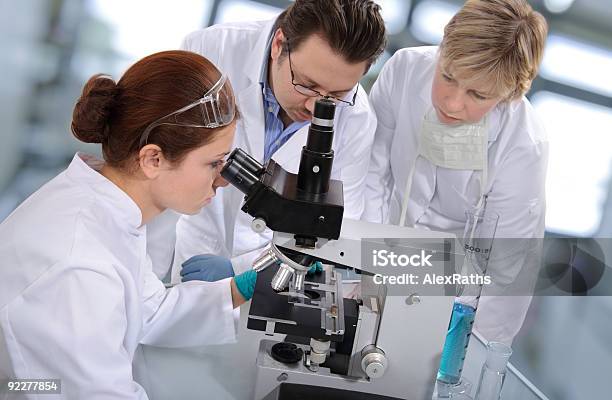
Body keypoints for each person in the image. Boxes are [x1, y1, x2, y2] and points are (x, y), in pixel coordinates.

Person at [0, 50, 258, 399]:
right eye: (213, 164)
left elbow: (149, 308)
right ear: (153, 158)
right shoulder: (80, 264)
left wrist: (246, 286)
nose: (223, 180)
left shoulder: (107, 211)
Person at [363, 0, 549, 344]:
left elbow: (507, 273)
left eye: (477, 94)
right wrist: (362, 267)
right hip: (374, 254)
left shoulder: (523, 145)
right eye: (447, 75)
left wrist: (466, 353)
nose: (451, 102)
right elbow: (369, 176)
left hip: (450, 296)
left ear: (508, 93)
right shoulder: (405, 69)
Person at [163, 0, 387, 283]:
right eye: (306, 84)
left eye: (336, 95)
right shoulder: (211, 51)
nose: (315, 107)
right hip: (179, 250)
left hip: (268, 282)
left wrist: (245, 268)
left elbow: (335, 229)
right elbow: (155, 170)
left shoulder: (357, 119)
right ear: (278, 45)